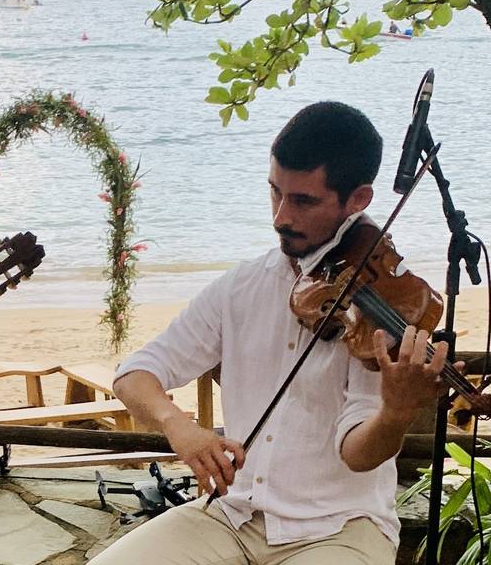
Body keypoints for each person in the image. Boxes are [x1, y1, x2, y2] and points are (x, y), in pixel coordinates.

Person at [89, 101, 455, 565]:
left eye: (303, 201)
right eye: (274, 192)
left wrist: (396, 413)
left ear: (358, 200)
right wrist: (178, 426)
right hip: (231, 516)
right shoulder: (241, 285)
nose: (280, 216)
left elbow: (358, 454)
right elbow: (135, 373)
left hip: (339, 530)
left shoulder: (384, 310)